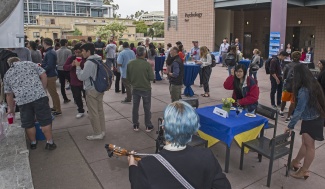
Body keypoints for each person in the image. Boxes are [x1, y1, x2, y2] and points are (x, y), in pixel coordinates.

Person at [128, 101, 231, 189]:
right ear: (192, 127)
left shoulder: (147, 165)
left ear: (163, 126)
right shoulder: (207, 157)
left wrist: (132, 167)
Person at [4, 57, 57, 150]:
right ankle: (50, 142)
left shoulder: (7, 74)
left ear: (10, 64)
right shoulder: (29, 64)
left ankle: (33, 143)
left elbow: (9, 94)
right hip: (39, 96)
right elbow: (43, 75)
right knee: (45, 120)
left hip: (22, 100)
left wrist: (11, 108)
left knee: (28, 122)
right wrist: (43, 88)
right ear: (19, 60)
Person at [285, 64, 325, 180]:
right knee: (305, 143)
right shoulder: (312, 83)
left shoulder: (303, 90)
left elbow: (298, 110)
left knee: (310, 146)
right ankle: (296, 162)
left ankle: (304, 170)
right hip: (314, 117)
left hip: (312, 120)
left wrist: (290, 125)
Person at [76, 43, 106, 140]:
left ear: (88, 51)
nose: (82, 53)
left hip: (91, 90)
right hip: (99, 88)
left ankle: (97, 133)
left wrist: (77, 67)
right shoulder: (98, 59)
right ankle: (102, 130)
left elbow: (82, 77)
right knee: (100, 110)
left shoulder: (89, 62)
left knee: (93, 113)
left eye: (83, 51)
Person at [126, 46, 154, 132]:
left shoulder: (130, 63)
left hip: (135, 88)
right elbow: (151, 78)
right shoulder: (147, 64)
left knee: (135, 107)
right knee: (147, 107)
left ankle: (135, 124)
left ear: (136, 53)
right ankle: (148, 125)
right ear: (144, 54)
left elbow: (128, 78)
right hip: (146, 88)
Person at [63, 43, 86, 119]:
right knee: (77, 97)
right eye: (76, 52)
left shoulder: (86, 58)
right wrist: (71, 65)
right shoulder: (71, 58)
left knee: (87, 97)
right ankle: (80, 110)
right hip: (74, 82)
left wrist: (80, 65)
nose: (77, 54)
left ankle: (90, 109)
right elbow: (65, 67)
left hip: (85, 81)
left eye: (79, 52)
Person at [41, 38, 62, 116]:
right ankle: (55, 107)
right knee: (52, 93)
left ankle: (58, 109)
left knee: (53, 93)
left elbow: (50, 65)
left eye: (43, 43)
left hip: (50, 75)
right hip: (50, 74)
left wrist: (41, 70)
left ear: (45, 43)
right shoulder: (50, 51)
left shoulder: (50, 52)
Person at [279, 51, 301, 123]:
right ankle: (288, 117)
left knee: (284, 100)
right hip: (296, 87)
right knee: (293, 102)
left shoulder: (287, 65)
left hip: (287, 86)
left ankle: (281, 111)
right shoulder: (302, 66)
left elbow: (284, 77)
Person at [56, 39, 72, 104]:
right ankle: (76, 99)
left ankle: (65, 98)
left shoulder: (57, 51)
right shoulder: (68, 51)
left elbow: (56, 60)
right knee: (72, 83)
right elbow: (70, 60)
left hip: (59, 68)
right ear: (66, 43)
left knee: (62, 84)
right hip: (67, 69)